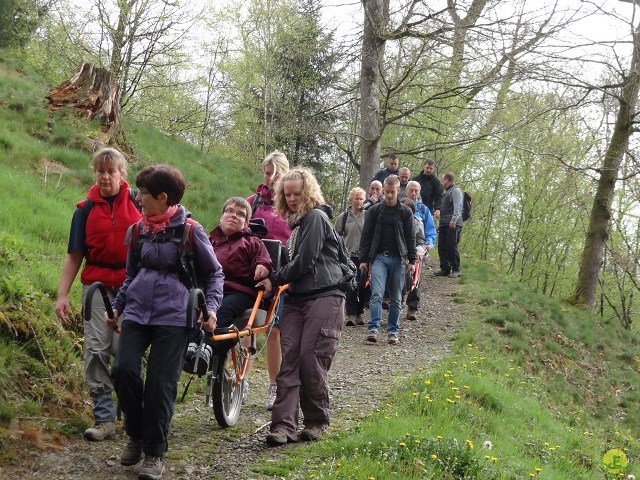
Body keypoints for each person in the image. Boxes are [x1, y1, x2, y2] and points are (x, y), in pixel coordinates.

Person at [108, 165, 224, 480]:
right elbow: (131, 276)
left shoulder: (190, 230)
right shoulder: (137, 231)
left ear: (163, 197)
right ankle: (136, 432)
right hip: (136, 312)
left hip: (174, 317)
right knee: (123, 370)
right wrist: (118, 306)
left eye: (143, 193)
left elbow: (214, 273)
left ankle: (154, 453)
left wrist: (211, 307)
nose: (138, 197)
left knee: (161, 383)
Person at [55, 147, 142, 442]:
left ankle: (132, 411)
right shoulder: (84, 210)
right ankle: (104, 417)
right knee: (95, 350)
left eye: (111, 171)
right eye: (100, 171)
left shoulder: (138, 203)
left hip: (132, 287)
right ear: (94, 173)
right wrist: (62, 295)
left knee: (124, 353)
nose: (105, 177)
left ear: (122, 174)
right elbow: (74, 256)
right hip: (96, 287)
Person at [256, 168, 345, 446]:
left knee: (311, 356)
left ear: (308, 193)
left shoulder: (316, 218)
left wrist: (275, 278)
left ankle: (317, 421)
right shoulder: (296, 225)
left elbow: (305, 262)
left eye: (297, 193)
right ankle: (283, 427)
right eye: (288, 194)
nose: (292, 199)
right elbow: (291, 263)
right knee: (290, 359)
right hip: (297, 298)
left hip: (325, 295)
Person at [184, 197, 273, 387]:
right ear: (221, 215)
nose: (234, 215)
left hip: (241, 292)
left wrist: (262, 267)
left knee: (222, 308)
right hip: (210, 290)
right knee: (190, 304)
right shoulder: (208, 241)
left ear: (246, 223)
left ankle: (208, 348)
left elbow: (264, 261)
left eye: (240, 214)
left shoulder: (252, 242)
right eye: (229, 211)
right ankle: (190, 347)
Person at [247, 150, 292, 411]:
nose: (271, 178)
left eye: (276, 174)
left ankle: (274, 386)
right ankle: (241, 378)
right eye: (267, 173)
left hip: (282, 275)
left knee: (274, 331)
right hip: (254, 271)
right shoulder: (253, 202)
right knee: (248, 324)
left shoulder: (291, 206)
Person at [358, 175, 416, 345]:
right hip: (379, 258)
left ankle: (392, 332)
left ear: (398, 191)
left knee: (396, 297)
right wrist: (363, 259)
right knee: (376, 293)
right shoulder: (374, 211)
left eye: (392, 192)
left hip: (399, 258)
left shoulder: (406, 212)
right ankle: (373, 329)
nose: (389, 195)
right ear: (383, 191)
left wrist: (412, 260)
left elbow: (410, 237)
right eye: (387, 192)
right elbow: (366, 236)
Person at [335, 187, 368, 326]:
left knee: (363, 285)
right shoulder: (343, 217)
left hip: (364, 255)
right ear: (351, 199)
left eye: (361, 199)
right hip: (348, 255)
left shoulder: (367, 215)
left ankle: (360, 313)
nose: (359, 201)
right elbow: (336, 235)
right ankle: (351, 314)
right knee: (351, 285)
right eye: (356, 198)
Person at [401, 196, 435, 320]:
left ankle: (412, 307)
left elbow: (424, 237)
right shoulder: (395, 220)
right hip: (399, 253)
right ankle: (395, 302)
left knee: (415, 278)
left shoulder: (418, 221)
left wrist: (423, 248)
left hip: (415, 252)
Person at [435, 172, 464, 278]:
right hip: (444, 223)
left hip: (453, 223)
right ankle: (445, 268)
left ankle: (456, 269)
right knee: (442, 246)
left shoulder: (455, 191)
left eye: (443, 180)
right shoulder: (447, 192)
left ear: (447, 180)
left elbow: (458, 206)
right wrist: (440, 224)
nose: (442, 182)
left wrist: (454, 220)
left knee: (451, 246)